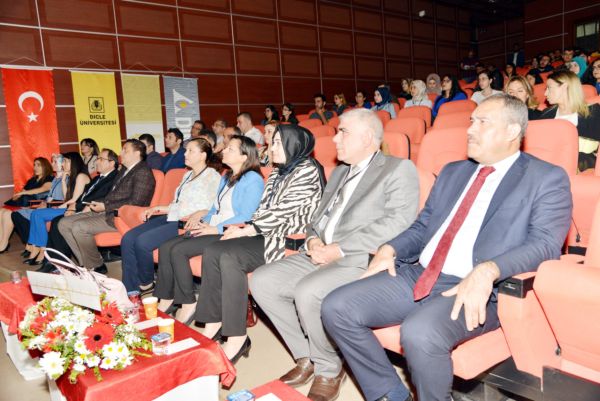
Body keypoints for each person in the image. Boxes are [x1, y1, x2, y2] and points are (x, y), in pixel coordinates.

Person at [321, 94, 573, 401]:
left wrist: (490, 269)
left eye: (483, 122)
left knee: (419, 332)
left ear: (512, 131)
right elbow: (423, 226)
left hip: (478, 286)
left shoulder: (545, 178)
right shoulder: (454, 171)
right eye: (471, 121)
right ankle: (390, 393)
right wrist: (391, 248)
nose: (470, 129)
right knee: (337, 307)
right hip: (421, 274)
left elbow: (546, 245)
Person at [249, 108, 419, 401]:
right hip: (320, 252)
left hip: (358, 258)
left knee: (309, 292)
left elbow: (398, 222)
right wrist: (314, 240)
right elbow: (317, 219)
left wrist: (338, 249)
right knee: (262, 281)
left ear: (367, 138)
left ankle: (329, 367)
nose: (335, 138)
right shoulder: (340, 171)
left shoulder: (398, 168)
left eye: (343, 132)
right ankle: (306, 356)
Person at [193, 124, 325, 362]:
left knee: (230, 256)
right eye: (272, 142)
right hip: (266, 233)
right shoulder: (277, 171)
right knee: (214, 249)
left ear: (292, 145)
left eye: (276, 142)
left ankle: (236, 337)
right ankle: (213, 322)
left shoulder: (307, 170)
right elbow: (263, 209)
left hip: (286, 239)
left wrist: (247, 229)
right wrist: (244, 227)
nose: (270, 147)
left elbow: (283, 211)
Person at [154, 135, 264, 325]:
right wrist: (203, 221)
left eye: (230, 149)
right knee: (167, 246)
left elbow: (246, 216)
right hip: (214, 224)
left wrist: (215, 228)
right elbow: (214, 208)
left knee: (179, 250)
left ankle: (188, 302)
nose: (224, 150)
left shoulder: (253, 179)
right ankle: (167, 297)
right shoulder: (226, 176)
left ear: (244, 156)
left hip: (232, 231)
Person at [120, 138, 221, 293]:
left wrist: (202, 212)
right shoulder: (187, 175)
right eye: (186, 150)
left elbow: (214, 205)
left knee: (142, 242)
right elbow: (177, 203)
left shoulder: (212, 176)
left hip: (185, 221)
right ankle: (130, 289)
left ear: (202, 156)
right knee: (128, 238)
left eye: (190, 151)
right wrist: (158, 208)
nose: (185, 154)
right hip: (173, 216)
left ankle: (146, 282)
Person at [58, 139, 156, 274]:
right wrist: (97, 203)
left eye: (125, 150)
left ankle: (96, 266)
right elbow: (112, 194)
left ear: (137, 153)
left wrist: (105, 206)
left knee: (79, 227)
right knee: (63, 223)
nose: (121, 153)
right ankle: (85, 264)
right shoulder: (125, 170)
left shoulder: (143, 172)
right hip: (108, 210)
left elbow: (135, 203)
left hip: (121, 217)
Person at [35, 149, 119, 273]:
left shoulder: (115, 178)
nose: (97, 162)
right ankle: (68, 262)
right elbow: (82, 197)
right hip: (83, 208)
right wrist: (73, 206)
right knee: (58, 221)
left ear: (112, 163)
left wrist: (75, 207)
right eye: (98, 159)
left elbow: (103, 198)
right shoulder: (97, 178)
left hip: (96, 211)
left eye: (101, 159)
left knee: (59, 221)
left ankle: (60, 262)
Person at [24, 153, 90, 266]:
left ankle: (43, 250)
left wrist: (60, 206)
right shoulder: (71, 176)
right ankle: (36, 248)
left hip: (76, 209)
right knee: (35, 213)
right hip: (68, 207)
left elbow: (74, 199)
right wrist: (64, 180)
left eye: (65, 161)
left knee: (38, 214)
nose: (63, 164)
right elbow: (66, 197)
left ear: (72, 162)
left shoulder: (81, 176)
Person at [540, 70, 600, 171]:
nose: (545, 93)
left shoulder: (593, 113)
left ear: (564, 87)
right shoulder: (546, 114)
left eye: (549, 88)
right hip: (550, 165)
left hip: (584, 167)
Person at [9, 155, 66, 259]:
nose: (52, 164)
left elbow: (66, 198)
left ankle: (40, 248)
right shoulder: (53, 179)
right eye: (34, 165)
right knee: (16, 214)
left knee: (35, 214)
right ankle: (32, 245)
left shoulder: (54, 178)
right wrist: (44, 203)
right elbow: (50, 197)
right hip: (44, 204)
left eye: (54, 162)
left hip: (57, 207)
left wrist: (46, 203)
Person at [0, 157, 53, 253]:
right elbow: (21, 193)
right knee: (1, 211)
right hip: (24, 203)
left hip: (36, 205)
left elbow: (43, 189)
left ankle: (3, 244)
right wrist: (18, 195)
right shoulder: (32, 180)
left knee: (7, 214)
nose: (35, 167)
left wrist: (23, 193)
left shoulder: (49, 178)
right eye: (34, 165)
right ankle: (2, 241)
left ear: (45, 167)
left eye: (38, 165)